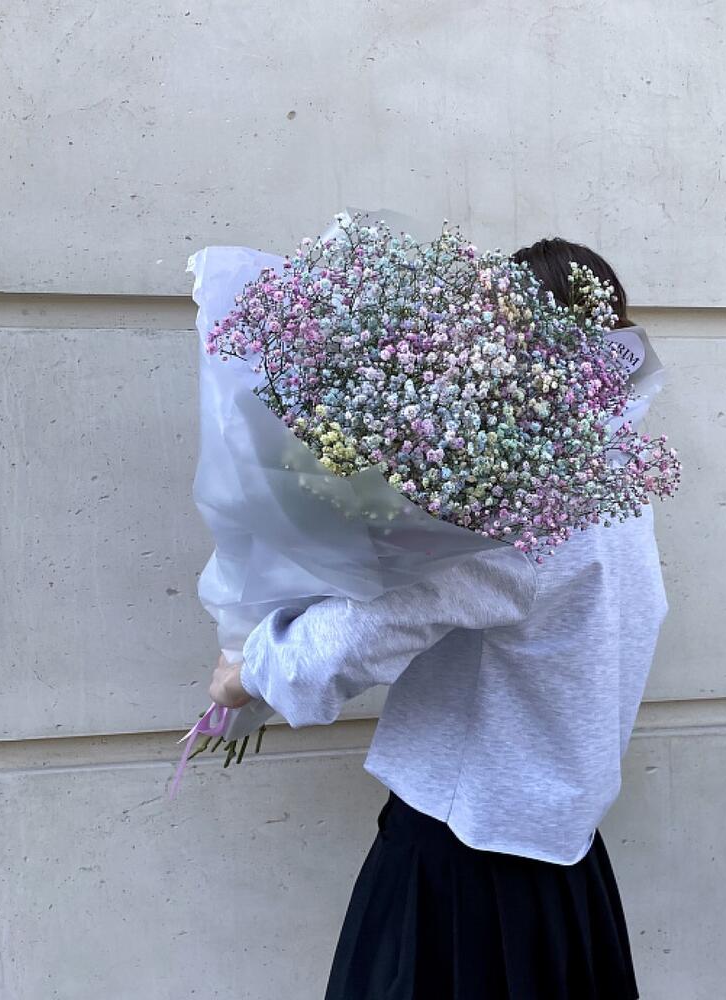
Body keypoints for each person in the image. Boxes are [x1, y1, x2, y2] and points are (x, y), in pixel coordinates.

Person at [208, 237, 669, 1000]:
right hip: (561, 856)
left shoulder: (530, 513)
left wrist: (245, 672)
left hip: (468, 860)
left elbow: (373, 629)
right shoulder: (616, 482)